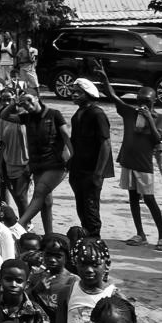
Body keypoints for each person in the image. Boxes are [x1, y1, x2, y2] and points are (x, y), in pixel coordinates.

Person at [95, 66, 162, 251]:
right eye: (139, 101)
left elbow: (158, 138)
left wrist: (149, 119)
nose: (142, 105)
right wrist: (105, 80)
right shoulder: (130, 112)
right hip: (128, 161)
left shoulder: (160, 117)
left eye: (146, 102)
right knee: (133, 198)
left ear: (154, 101)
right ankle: (140, 233)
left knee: (150, 199)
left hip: (144, 164)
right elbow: (114, 97)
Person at [5, 88, 71, 234]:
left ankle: (19, 226)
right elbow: (5, 115)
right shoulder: (26, 117)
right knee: (46, 203)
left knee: (39, 193)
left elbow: (66, 137)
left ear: (37, 97)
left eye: (29, 100)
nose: (27, 105)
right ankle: (49, 235)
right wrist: (14, 103)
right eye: (23, 103)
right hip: (37, 165)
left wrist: (74, 157)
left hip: (56, 163)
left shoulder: (54, 114)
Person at [67, 77, 113, 238]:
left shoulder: (96, 114)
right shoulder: (79, 113)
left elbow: (105, 144)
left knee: (91, 209)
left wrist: (98, 173)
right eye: (73, 92)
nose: (74, 95)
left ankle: (94, 241)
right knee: (82, 207)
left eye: (78, 93)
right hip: (78, 168)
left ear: (87, 94)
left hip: (91, 170)